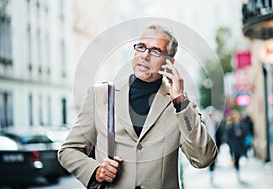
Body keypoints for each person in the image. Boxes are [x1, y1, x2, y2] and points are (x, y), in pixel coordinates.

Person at [58, 24, 218, 189]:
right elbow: (69, 150)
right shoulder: (100, 96)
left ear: (169, 62)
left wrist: (180, 101)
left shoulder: (182, 106)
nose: (145, 56)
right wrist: (96, 171)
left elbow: (203, 158)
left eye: (155, 51)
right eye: (141, 47)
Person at [226, 110, 245, 180]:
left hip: (239, 143)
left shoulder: (241, 125)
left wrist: (241, 133)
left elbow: (244, 132)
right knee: (235, 155)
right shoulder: (230, 125)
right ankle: (236, 167)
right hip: (233, 144)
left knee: (238, 156)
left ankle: (237, 165)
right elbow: (228, 134)